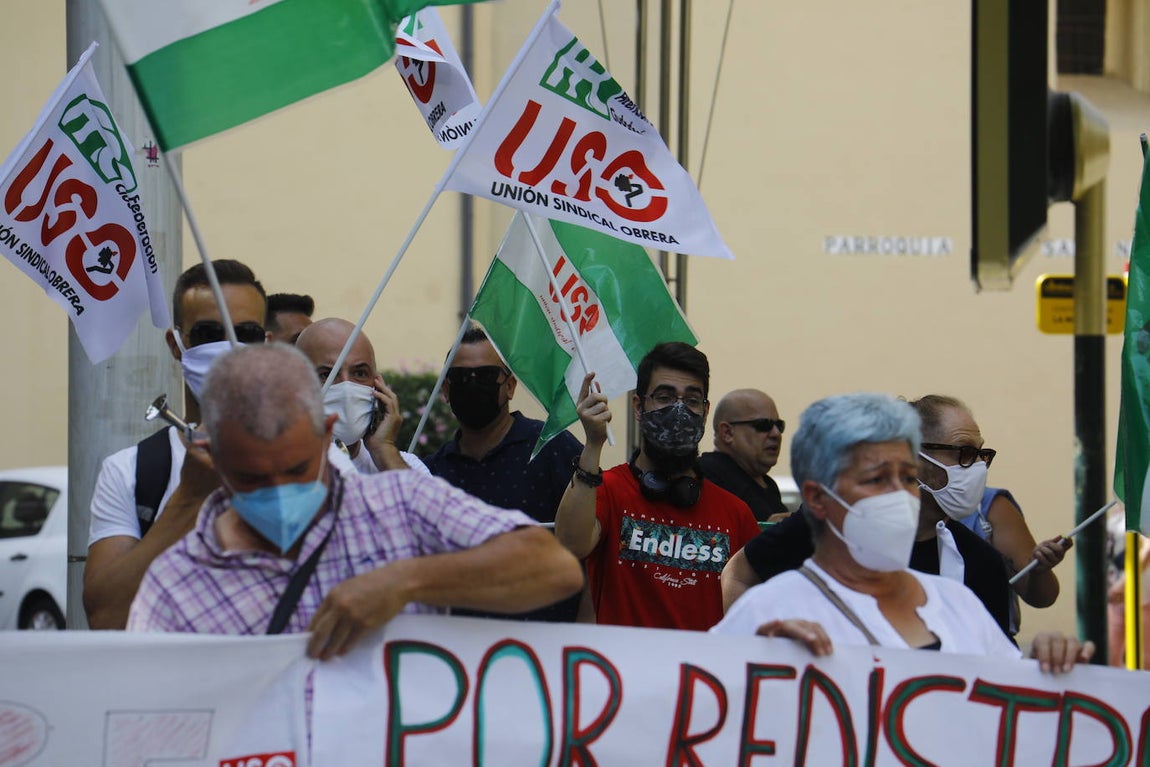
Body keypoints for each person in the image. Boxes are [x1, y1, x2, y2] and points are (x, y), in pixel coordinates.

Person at [127, 344, 583, 660]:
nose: (278, 492)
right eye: (250, 477)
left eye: (296, 469)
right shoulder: (173, 587)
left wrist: (406, 581)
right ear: (209, 455)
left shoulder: (400, 504)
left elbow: (552, 568)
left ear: (326, 433)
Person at [712, 392, 1093, 673]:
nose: (899, 495)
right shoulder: (770, 612)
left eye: (907, 478)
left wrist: (1047, 668)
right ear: (817, 498)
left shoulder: (959, 604)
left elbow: (1006, 705)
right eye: (877, 479)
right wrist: (761, 660)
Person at [721, 393, 1018, 639]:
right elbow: (740, 576)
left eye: (906, 477)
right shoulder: (819, 534)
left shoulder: (973, 574)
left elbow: (998, 677)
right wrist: (764, 647)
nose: (977, 466)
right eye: (877, 478)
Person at [84, 260, 269, 630]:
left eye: (245, 333)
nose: (227, 347)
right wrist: (189, 497)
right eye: (207, 333)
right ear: (176, 343)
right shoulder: (129, 471)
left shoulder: (314, 460)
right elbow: (106, 616)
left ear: (265, 345)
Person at [554, 342, 761, 631]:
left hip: (701, 675)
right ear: (639, 407)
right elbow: (569, 545)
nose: (678, 410)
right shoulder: (609, 491)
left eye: (691, 400)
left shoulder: (735, 514)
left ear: (705, 411)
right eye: (664, 397)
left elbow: (759, 612)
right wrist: (593, 444)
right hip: (622, 673)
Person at [424, 325, 585, 622]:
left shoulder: (552, 448)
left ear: (510, 386)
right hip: (460, 652)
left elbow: (589, 541)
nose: (473, 385)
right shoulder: (432, 471)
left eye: (486, 376)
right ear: (446, 390)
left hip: (544, 650)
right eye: (461, 378)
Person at [914, 395, 1066, 635]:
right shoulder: (855, 550)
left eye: (980, 455)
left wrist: (1039, 569)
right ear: (915, 458)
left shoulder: (981, 559)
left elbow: (995, 658)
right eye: (964, 453)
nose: (976, 467)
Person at [295, 318, 427, 475]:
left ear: (378, 385)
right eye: (326, 374)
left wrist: (384, 449)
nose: (346, 387)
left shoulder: (407, 465)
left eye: (359, 373)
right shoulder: (276, 469)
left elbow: (428, 499)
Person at [698, 388, 790, 522]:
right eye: (763, 425)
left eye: (779, 425)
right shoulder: (705, 474)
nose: (776, 433)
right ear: (727, 433)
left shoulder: (769, 485)